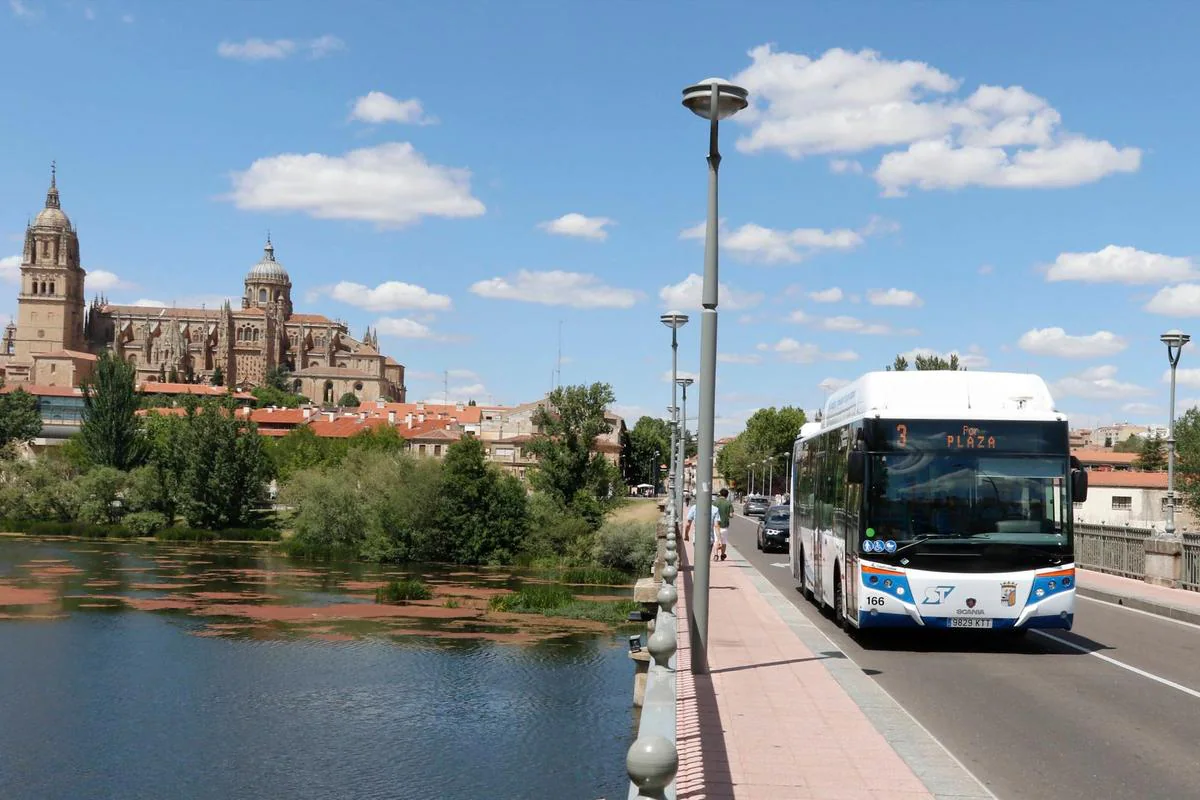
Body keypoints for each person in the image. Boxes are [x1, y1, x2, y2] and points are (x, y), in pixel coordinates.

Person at [712, 488, 733, 561]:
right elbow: (731, 515)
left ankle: (715, 554)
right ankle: (722, 554)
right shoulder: (728, 503)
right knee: (724, 541)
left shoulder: (715, 502)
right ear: (727, 495)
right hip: (724, 525)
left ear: (720, 494)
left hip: (715, 525)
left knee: (716, 540)